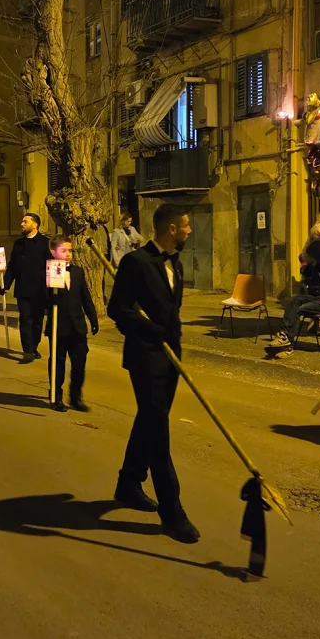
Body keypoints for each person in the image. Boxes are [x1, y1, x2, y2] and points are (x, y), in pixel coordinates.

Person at [107, 204, 200, 544]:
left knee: (149, 419)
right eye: (186, 226)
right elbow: (116, 309)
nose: (190, 231)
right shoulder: (136, 262)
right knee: (158, 429)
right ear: (171, 229)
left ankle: (129, 482)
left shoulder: (174, 260)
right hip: (145, 356)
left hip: (171, 356)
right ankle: (172, 512)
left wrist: (169, 336)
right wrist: (149, 329)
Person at [264, 239, 320, 356]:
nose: (312, 260)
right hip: (315, 298)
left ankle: (288, 344)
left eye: (314, 257)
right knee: (293, 300)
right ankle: (284, 335)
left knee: (300, 309)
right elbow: (306, 276)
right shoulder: (315, 267)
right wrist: (305, 270)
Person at [44, 236, 99, 412]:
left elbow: (85, 297)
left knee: (80, 361)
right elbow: (44, 299)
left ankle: (75, 396)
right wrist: (49, 287)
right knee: (58, 361)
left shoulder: (77, 272)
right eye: (64, 251)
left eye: (70, 250)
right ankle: (55, 396)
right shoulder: (49, 271)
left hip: (77, 325)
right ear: (53, 252)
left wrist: (92, 318)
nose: (68, 254)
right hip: (59, 326)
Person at [0, 213, 52, 363]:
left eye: (25, 221)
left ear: (35, 225)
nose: (22, 224)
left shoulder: (45, 243)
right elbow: (13, 266)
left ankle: (34, 346)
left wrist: (52, 288)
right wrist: (6, 284)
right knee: (25, 320)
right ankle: (27, 350)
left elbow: (51, 265)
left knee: (37, 321)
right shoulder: (18, 244)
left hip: (40, 290)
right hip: (23, 289)